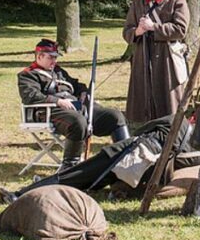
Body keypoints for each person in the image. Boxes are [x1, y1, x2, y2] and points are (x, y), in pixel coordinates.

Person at [0, 115, 200, 203]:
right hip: (140, 170)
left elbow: (143, 129)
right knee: (82, 179)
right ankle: (42, 187)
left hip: (129, 152)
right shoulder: (199, 151)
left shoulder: (177, 120)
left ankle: (21, 195)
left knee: (76, 176)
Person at [18, 39, 130, 169]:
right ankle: (70, 168)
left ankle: (127, 156)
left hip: (77, 108)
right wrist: (58, 101)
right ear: (39, 56)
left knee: (115, 116)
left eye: (55, 58)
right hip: (50, 111)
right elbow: (31, 96)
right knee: (78, 122)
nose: (54, 61)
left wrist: (83, 92)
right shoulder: (28, 75)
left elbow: (77, 85)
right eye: (51, 58)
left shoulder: (59, 72)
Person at [123, 0, 190, 123]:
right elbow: (127, 31)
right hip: (143, 56)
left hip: (167, 58)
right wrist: (138, 31)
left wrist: (154, 27)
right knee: (142, 99)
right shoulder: (138, 3)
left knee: (169, 99)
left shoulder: (176, 0)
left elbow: (180, 30)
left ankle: (171, 132)